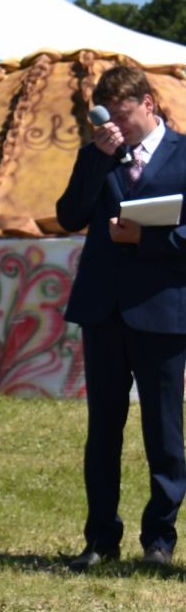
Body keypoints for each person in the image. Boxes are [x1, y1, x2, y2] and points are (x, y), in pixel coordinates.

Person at [57, 63, 186, 570]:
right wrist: (97, 157)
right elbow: (69, 215)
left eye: (125, 117)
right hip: (104, 312)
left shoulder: (183, 155)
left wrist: (148, 239)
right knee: (103, 430)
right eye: (108, 120)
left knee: (164, 432)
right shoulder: (99, 155)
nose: (117, 128)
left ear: (148, 105)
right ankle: (100, 538)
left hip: (163, 312)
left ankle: (159, 540)